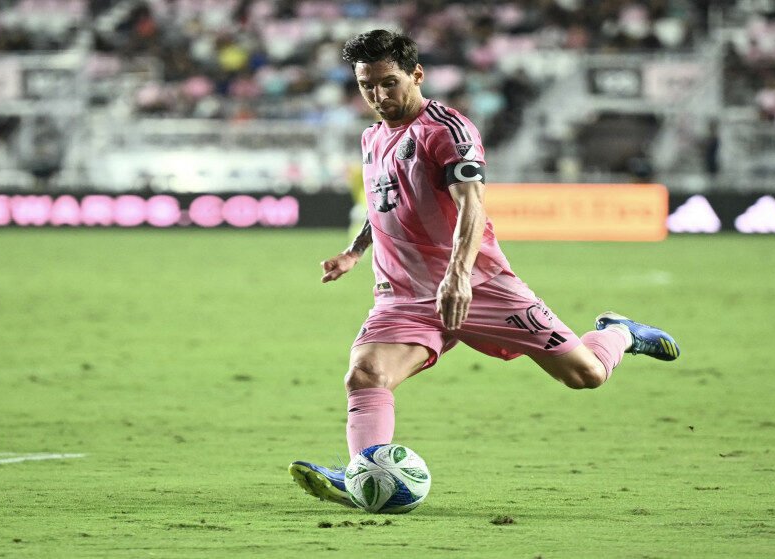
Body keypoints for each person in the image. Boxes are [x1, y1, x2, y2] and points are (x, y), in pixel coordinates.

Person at [289, 30, 680, 508]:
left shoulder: (447, 129)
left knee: (585, 374)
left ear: (416, 74)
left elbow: (471, 203)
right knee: (366, 375)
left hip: (480, 286)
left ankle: (618, 332)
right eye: (366, 85)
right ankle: (364, 477)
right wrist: (354, 251)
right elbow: (383, 203)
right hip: (404, 296)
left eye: (389, 82)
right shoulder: (372, 137)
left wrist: (457, 276)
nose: (378, 95)